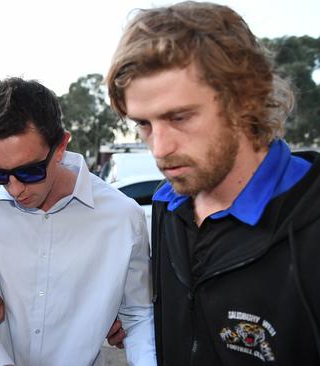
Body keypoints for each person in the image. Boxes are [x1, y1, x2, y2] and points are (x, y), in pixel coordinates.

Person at [106, 2, 320, 365]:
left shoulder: (310, 222)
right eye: (143, 123)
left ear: (246, 98)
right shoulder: (167, 205)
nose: (160, 148)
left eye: (180, 117)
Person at [0, 77, 156, 365]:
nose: (15, 188)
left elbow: (138, 316)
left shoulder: (122, 218)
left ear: (60, 145)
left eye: (29, 172)